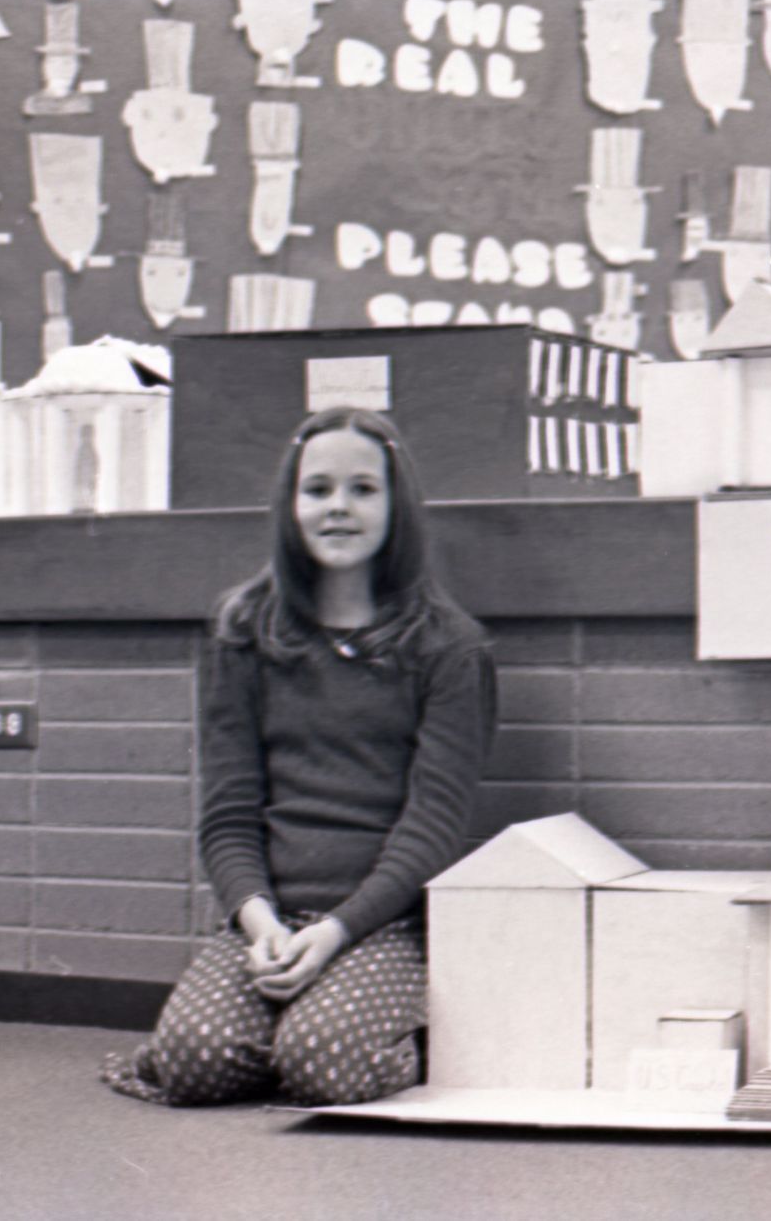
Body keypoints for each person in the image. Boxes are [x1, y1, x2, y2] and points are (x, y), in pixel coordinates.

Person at [103, 408, 496, 1107]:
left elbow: (434, 827)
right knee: (191, 1060)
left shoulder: (450, 648)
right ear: (291, 506)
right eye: (317, 489)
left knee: (325, 1063)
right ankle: (290, 1028)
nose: (338, 507)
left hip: (385, 922)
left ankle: (364, 1033)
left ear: (396, 506)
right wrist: (260, 925)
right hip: (273, 918)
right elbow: (228, 813)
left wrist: (339, 932)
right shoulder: (242, 633)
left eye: (363, 489)